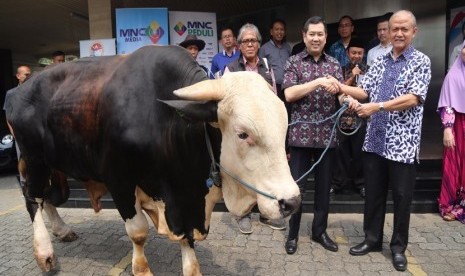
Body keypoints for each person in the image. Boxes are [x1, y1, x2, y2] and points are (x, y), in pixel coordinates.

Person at [338, 10, 431, 272]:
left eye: (404, 29)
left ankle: (398, 248)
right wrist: (341, 87)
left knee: (402, 197)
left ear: (414, 32)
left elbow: (413, 98)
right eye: (394, 29)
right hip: (375, 141)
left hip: (403, 145)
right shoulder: (379, 61)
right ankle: (372, 239)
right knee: (374, 195)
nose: (399, 33)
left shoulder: (421, 62)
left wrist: (376, 107)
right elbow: (364, 91)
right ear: (388, 32)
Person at [283, 16, 345, 255]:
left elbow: (339, 94)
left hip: (327, 137)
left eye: (320, 34)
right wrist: (318, 81)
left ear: (326, 37)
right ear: (304, 36)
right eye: (312, 34)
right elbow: (289, 94)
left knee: (323, 188)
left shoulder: (335, 65)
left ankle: (319, 232)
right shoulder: (294, 62)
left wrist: (344, 97)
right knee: (296, 189)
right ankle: (293, 233)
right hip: (300, 137)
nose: (316, 38)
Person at [225, 23, 282, 234]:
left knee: (263, 171)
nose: (250, 44)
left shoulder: (267, 67)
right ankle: (243, 214)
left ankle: (266, 212)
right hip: (242, 134)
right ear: (239, 45)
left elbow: (274, 97)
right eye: (245, 41)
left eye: (253, 41)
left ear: (259, 44)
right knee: (244, 171)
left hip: (263, 133)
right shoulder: (230, 69)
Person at [331, 37, 367, 197]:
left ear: (363, 54)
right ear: (347, 53)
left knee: (360, 154)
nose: (356, 56)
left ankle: (361, 184)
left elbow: (369, 95)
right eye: (353, 53)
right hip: (342, 119)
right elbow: (338, 90)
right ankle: (338, 184)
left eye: (359, 53)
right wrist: (352, 76)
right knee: (340, 154)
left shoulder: (370, 70)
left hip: (361, 118)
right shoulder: (340, 69)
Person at [437, 41, 465, 223]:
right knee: (454, 165)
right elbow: (447, 104)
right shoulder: (453, 76)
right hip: (458, 126)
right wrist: (448, 129)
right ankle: (452, 205)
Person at [3, 65, 32, 186]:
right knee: (23, 161)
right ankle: (26, 187)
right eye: (26, 74)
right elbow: (8, 116)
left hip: (35, 133)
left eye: (30, 74)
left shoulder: (35, 90)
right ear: (18, 76)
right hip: (20, 135)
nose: (28, 77)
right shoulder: (11, 93)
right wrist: (15, 135)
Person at [259, 19, 291, 100]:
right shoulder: (264, 49)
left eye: (282, 29)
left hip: (288, 85)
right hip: (273, 87)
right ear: (271, 32)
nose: (279, 32)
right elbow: (261, 69)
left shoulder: (287, 47)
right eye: (277, 29)